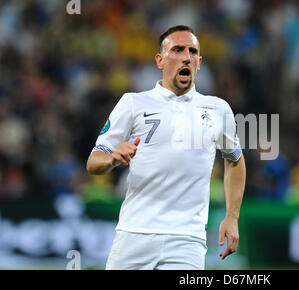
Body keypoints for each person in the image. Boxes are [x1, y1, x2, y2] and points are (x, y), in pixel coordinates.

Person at [86, 25, 246, 270]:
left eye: (193, 52)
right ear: (160, 60)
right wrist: (112, 159)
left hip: (187, 240)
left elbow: (235, 160)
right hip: (135, 233)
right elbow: (94, 162)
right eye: (178, 50)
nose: (186, 57)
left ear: (199, 62)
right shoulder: (133, 103)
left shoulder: (217, 109)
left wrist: (232, 217)